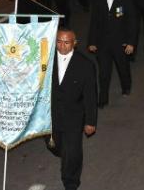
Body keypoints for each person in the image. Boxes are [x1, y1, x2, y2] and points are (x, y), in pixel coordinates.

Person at [49, 28, 97, 190]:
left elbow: (90, 96)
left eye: (66, 42)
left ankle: (71, 182)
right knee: (55, 146)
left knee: (73, 152)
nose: (62, 46)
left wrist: (90, 121)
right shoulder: (46, 61)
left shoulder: (85, 65)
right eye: (59, 41)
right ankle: (65, 155)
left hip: (74, 116)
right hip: (51, 115)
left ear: (74, 44)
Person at [87, 0, 137, 107]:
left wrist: (131, 43)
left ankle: (126, 87)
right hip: (103, 44)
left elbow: (132, 22)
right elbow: (94, 22)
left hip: (120, 43)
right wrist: (92, 42)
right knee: (103, 72)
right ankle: (103, 98)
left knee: (123, 68)